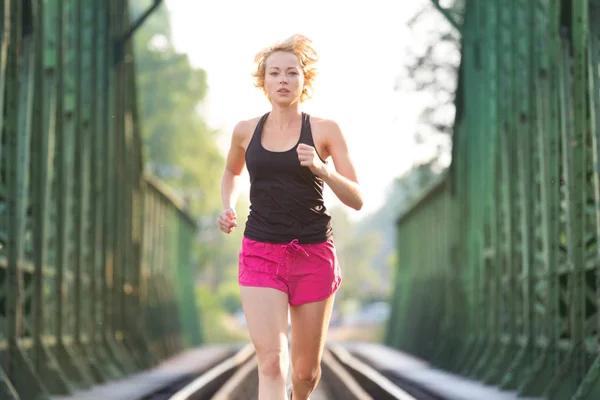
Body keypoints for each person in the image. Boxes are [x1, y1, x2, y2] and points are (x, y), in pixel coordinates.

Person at [218, 34, 362, 400]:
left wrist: (323, 170)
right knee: (271, 363)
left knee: (304, 373)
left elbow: (357, 199)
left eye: (292, 73)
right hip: (261, 251)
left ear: (304, 80)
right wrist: (228, 204)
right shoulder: (245, 130)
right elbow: (232, 173)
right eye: (275, 73)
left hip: (313, 255)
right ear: (262, 81)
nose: (283, 80)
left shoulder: (326, 130)